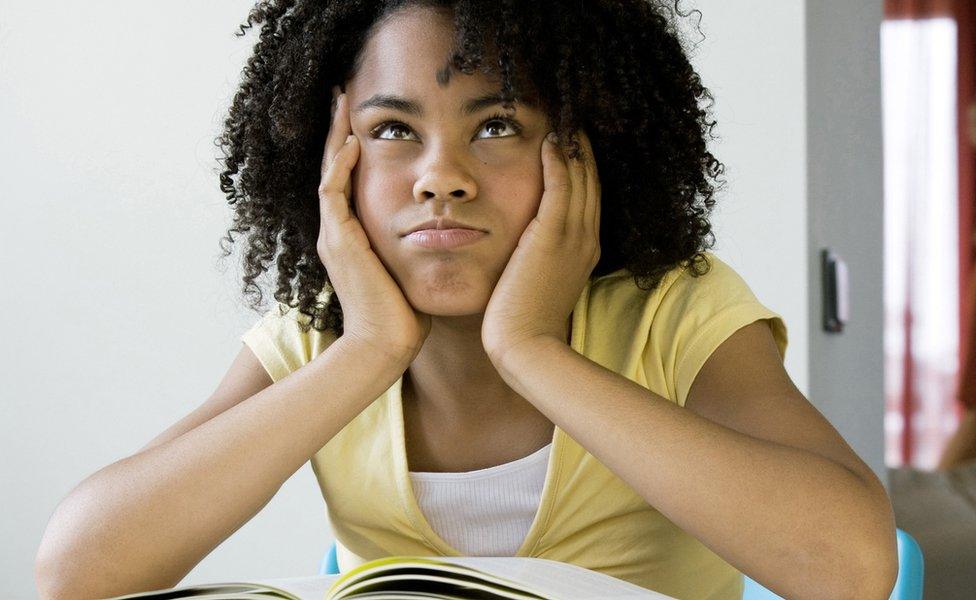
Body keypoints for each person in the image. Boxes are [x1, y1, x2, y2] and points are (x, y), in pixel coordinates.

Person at [33, 2, 898, 600]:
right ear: (330, 165)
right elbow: (76, 571)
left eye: (497, 127)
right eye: (392, 131)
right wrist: (368, 352)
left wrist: (531, 350)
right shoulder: (315, 343)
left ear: (587, 152)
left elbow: (852, 571)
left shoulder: (675, 313)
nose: (440, 176)